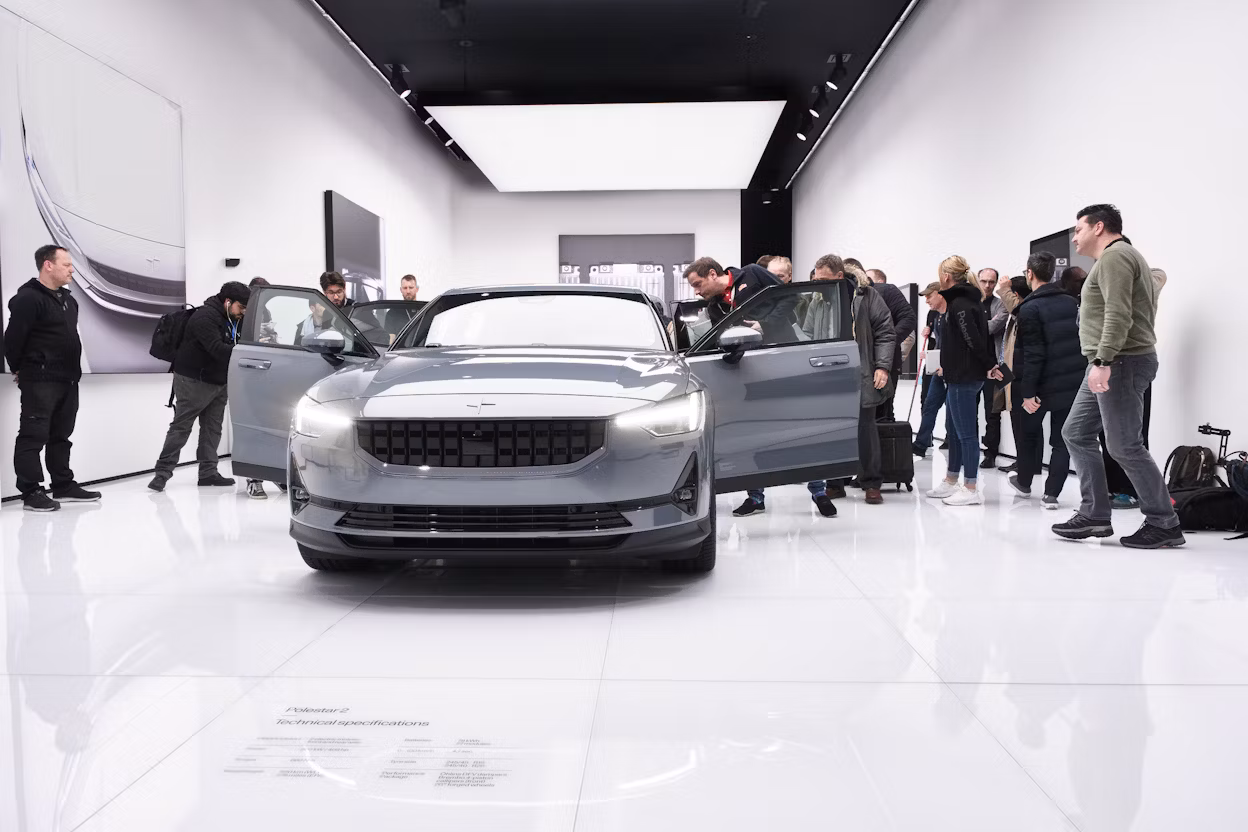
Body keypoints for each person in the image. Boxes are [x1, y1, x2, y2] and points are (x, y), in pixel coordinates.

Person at [1052, 204, 1183, 548]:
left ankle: (1164, 523)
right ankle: (1094, 514)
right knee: (1076, 432)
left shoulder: (1116, 257)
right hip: (1109, 360)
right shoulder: (1116, 259)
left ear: (1098, 227)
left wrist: (1103, 359)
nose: (1074, 237)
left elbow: (1118, 312)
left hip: (1120, 361)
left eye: (1078, 229)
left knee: (1125, 445)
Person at [3, 245, 101, 511]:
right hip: (40, 379)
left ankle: (63, 485)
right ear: (48, 265)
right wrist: (19, 368)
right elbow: (13, 339)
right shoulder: (28, 298)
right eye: (66, 264)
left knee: (61, 435)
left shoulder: (69, 300)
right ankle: (31, 491)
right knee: (33, 435)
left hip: (68, 379)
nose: (72, 270)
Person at [148, 282, 250, 492]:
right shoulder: (204, 318)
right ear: (228, 302)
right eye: (241, 307)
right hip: (193, 381)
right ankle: (162, 474)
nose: (243, 312)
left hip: (219, 381)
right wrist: (247, 349)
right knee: (181, 427)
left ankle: (208, 473)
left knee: (212, 428)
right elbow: (217, 349)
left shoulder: (233, 318)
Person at [1007, 252, 1084, 509]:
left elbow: (1033, 354)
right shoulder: (1072, 303)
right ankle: (1051, 494)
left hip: (1039, 386)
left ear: (1029, 273)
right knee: (1061, 441)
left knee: (1028, 434)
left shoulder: (1029, 308)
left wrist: (1027, 392)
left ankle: (1024, 483)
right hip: (1070, 383)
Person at [925, 256, 996, 506]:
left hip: (964, 376)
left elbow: (973, 339)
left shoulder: (961, 304)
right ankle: (952, 479)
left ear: (946, 277)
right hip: (959, 375)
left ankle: (971, 487)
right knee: (955, 431)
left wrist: (989, 364)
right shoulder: (963, 301)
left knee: (966, 434)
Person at [864, 267, 916, 421]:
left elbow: (908, 319)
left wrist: (886, 343)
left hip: (885, 363)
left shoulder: (886, 291)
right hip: (865, 363)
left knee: (883, 412)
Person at [912, 282, 948, 458]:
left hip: (951, 368)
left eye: (929, 296)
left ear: (940, 294)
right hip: (936, 366)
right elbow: (937, 340)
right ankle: (921, 443)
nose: (926, 300)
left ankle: (952, 442)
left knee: (952, 408)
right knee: (929, 404)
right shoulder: (933, 314)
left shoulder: (952, 314)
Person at [977, 268, 1008, 468]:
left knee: (993, 412)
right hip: (973, 366)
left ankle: (991, 453)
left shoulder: (1001, 304)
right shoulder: (970, 304)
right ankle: (969, 450)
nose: (987, 285)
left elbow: (993, 327)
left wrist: (971, 326)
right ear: (977, 280)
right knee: (969, 411)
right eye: (984, 281)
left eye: (991, 281)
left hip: (996, 366)